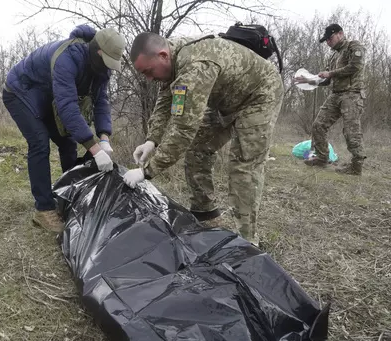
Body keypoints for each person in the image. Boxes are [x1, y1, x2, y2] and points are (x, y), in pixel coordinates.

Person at [123, 32, 283, 246]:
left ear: (162, 55)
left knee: (243, 166)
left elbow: (184, 129)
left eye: (149, 72)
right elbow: (165, 102)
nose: (149, 78)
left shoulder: (195, 65)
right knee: (198, 148)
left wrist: (146, 171)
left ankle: (248, 242)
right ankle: (205, 213)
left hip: (259, 96)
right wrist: (151, 141)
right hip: (226, 101)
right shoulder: (172, 60)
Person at [2, 25, 126, 232]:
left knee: (67, 141)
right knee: (40, 142)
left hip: (48, 96)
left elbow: (101, 101)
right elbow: (67, 106)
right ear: (98, 52)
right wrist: (94, 150)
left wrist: (104, 138)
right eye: (107, 62)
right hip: (21, 92)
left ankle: (71, 193)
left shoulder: (101, 70)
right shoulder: (67, 59)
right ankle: (44, 209)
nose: (108, 67)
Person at [295, 24, 366, 175]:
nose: (328, 42)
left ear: (340, 33)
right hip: (336, 94)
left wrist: (331, 73)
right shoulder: (333, 55)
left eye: (330, 38)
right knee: (318, 125)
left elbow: (355, 66)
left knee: (351, 131)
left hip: (352, 93)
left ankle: (356, 166)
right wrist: (309, 80)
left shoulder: (353, 46)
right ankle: (322, 158)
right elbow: (326, 80)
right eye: (326, 40)